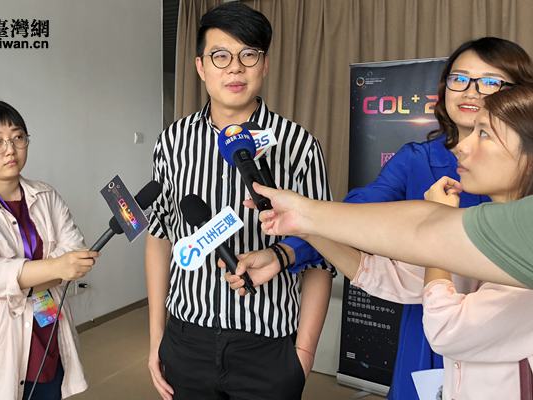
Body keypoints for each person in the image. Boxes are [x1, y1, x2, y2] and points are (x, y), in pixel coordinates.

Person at [226, 36, 533, 399]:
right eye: (459, 79)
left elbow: (436, 269)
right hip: (429, 327)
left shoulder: (517, 233)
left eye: (490, 82)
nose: (470, 91)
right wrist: (294, 240)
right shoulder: (418, 158)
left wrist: (435, 226)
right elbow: (369, 243)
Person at [145, 3, 334, 400]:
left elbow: (322, 253)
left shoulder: (298, 145)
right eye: (220, 56)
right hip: (186, 337)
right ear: (200, 67)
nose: (234, 68)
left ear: (264, 65)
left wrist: (303, 354)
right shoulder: (172, 142)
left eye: (248, 55)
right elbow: (160, 235)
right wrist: (156, 337)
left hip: (268, 343)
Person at [0, 100, 98, 400]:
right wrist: (56, 268)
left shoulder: (46, 195)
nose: (10, 149)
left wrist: (16, 281)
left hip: (46, 329)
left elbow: (74, 253)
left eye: (18, 137)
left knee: (45, 385)